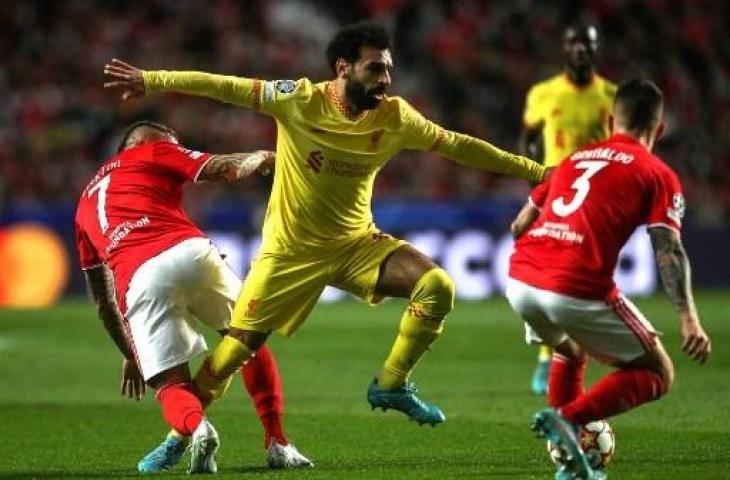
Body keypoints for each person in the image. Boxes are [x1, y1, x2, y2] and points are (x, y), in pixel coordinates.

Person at [103, 22, 547, 429]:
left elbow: (460, 146)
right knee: (237, 348)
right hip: (290, 251)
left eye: (388, 70)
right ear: (343, 67)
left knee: (437, 287)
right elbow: (224, 87)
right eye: (375, 69)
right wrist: (152, 80)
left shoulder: (394, 117)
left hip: (355, 244)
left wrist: (536, 172)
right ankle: (185, 436)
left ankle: (391, 384)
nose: (385, 79)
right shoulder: (298, 99)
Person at [75, 121, 312, 473]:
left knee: (172, 387)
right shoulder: (152, 149)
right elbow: (226, 169)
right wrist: (262, 156)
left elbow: (103, 303)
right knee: (249, 341)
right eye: (172, 146)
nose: (175, 152)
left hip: (140, 280)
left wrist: (132, 351)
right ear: (139, 144)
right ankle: (278, 442)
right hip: (191, 253)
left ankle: (197, 429)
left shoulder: (82, 208)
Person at [506, 79, 711, 479]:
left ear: (609, 118)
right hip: (573, 287)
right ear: (660, 129)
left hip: (521, 281)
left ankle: (568, 465)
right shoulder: (657, 173)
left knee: (570, 350)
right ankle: (566, 419)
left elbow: (519, 225)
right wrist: (689, 319)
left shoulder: (575, 159)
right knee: (658, 372)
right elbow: (667, 248)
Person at [514, 23, 618, 396]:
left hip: (597, 198)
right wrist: (537, 185)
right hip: (555, 195)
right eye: (574, 42)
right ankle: (550, 356)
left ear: (595, 48)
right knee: (553, 276)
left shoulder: (609, 95)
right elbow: (527, 140)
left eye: (586, 44)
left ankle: (565, 355)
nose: (580, 50)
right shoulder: (543, 93)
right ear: (564, 48)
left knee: (580, 279)